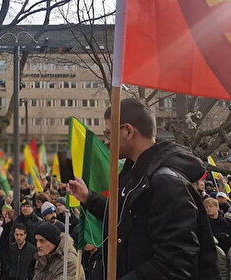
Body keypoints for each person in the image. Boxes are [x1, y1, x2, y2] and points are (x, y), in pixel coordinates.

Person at [67, 98, 219, 279]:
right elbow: (125, 219)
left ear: (128, 130)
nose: (107, 142)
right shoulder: (133, 174)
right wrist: (89, 198)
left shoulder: (166, 182)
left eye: (109, 133)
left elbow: (175, 265)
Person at [0, 204, 15, 280]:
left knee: (6, 266)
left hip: (7, 249)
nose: (6, 219)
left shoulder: (9, 227)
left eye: (8, 218)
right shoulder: (4, 225)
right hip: (3, 248)